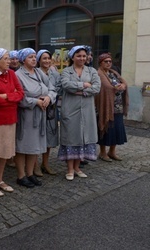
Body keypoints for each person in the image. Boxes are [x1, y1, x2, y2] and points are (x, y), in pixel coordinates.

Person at [0, 48, 24, 196]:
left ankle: (0, 179)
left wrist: (6, 96)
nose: (9, 61)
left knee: (5, 152)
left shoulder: (12, 74)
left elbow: (21, 94)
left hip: (10, 118)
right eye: (6, 58)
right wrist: (11, 96)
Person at [58, 45, 100, 181]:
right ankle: (69, 169)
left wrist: (81, 91)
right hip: (70, 109)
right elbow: (66, 85)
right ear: (72, 57)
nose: (82, 58)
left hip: (87, 110)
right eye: (79, 56)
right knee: (71, 137)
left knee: (82, 138)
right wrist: (84, 85)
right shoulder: (66, 71)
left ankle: (77, 167)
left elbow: (96, 87)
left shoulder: (92, 71)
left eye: (84, 56)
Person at [14, 48, 54, 188]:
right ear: (23, 59)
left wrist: (49, 98)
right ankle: (21, 175)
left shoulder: (38, 72)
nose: (33, 59)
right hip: (27, 116)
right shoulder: (18, 75)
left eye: (34, 56)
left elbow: (52, 88)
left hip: (41, 114)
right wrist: (36, 101)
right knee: (23, 146)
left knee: (35, 145)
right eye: (30, 57)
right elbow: (19, 98)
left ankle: (30, 174)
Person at [95, 53, 129, 162]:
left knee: (117, 129)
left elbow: (123, 83)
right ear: (100, 63)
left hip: (117, 107)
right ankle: (103, 152)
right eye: (106, 61)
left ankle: (112, 152)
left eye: (110, 61)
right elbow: (107, 87)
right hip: (105, 107)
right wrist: (117, 87)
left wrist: (123, 85)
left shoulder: (113, 73)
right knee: (105, 129)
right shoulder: (98, 74)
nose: (109, 63)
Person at [35, 49, 60, 175]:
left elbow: (58, 88)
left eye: (49, 58)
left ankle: (45, 163)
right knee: (37, 137)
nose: (47, 61)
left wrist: (52, 97)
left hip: (51, 109)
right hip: (39, 108)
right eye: (44, 58)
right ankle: (35, 165)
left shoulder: (54, 73)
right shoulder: (35, 73)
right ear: (39, 60)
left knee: (49, 137)